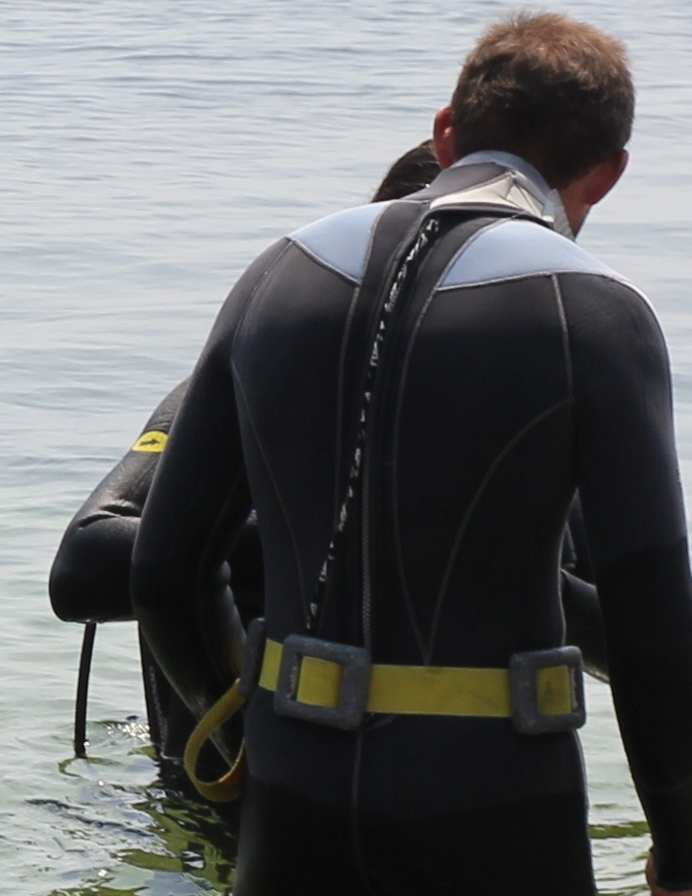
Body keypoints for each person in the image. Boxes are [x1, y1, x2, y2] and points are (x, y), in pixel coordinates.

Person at [133, 12, 692, 896]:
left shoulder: (279, 270)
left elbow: (163, 569)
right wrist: (682, 862)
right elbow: (653, 618)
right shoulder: (598, 312)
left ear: (446, 130)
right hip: (497, 808)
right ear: (610, 172)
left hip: (295, 804)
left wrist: (242, 756)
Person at [54, 140, 460, 792]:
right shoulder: (244, 388)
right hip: (214, 794)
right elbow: (83, 567)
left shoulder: (514, 421)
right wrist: (303, 542)